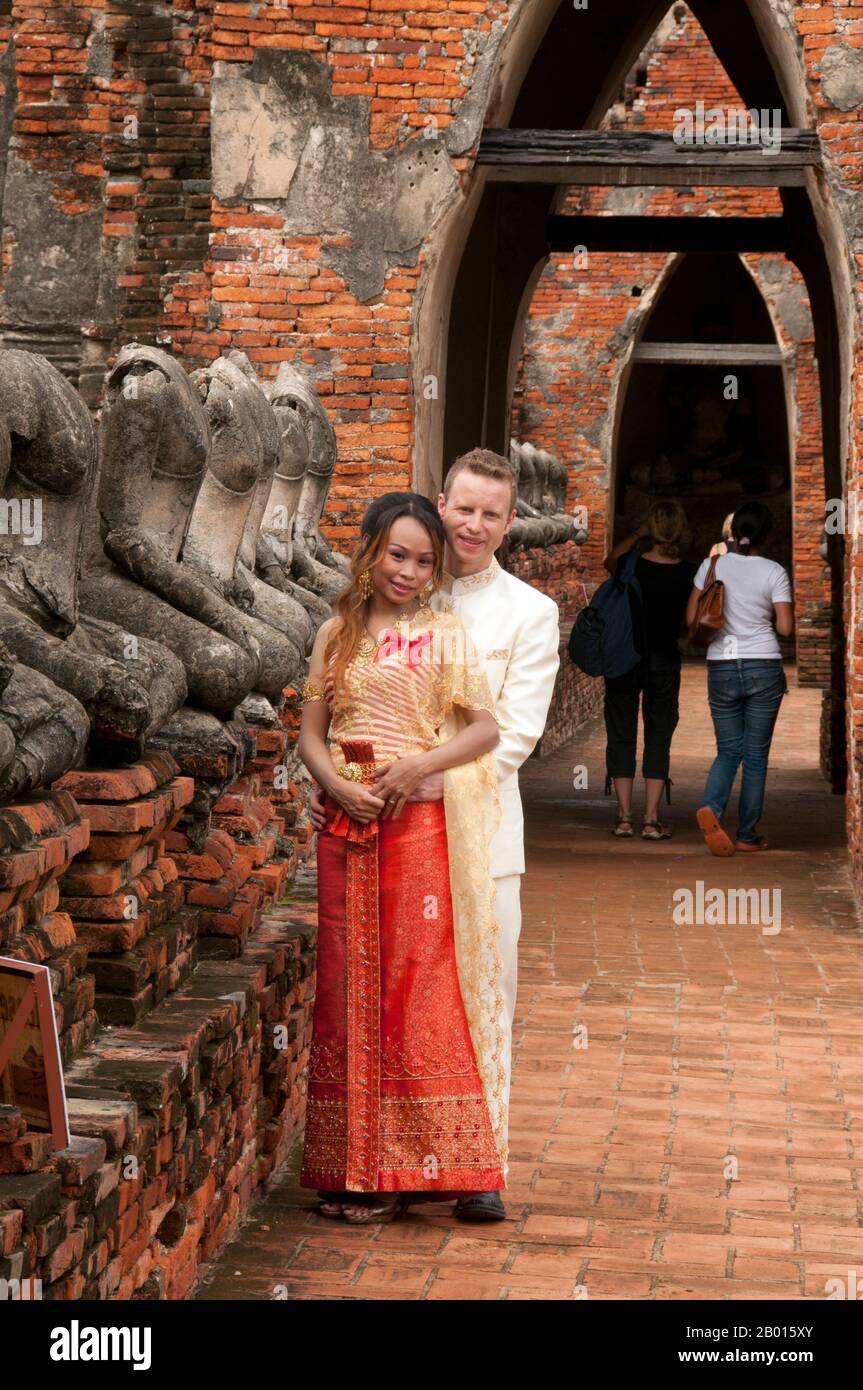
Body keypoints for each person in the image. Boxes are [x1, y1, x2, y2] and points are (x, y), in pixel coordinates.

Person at [308, 448, 560, 1223]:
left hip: (472, 831)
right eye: (462, 508)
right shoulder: (398, 588)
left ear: (510, 522)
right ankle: (388, 1162)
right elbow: (330, 719)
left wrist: (414, 782)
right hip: (375, 827)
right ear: (438, 505)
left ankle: (480, 1164)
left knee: (480, 995)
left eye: (491, 513)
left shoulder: (527, 613)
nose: (472, 525)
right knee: (379, 992)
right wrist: (337, 789)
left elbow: (510, 737)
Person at [687, 501, 794, 856]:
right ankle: (748, 834)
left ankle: (712, 808)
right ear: (767, 535)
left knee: (728, 749)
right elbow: (785, 627)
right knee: (756, 755)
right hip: (763, 665)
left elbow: (691, 616)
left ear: (734, 533)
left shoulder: (711, 565)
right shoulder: (774, 572)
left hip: (721, 664)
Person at [602, 500, 696, 840]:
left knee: (621, 733)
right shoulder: (690, 572)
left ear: (651, 529)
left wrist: (637, 535)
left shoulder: (630, 564)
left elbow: (607, 559)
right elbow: (691, 621)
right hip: (664, 659)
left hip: (624, 658)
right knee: (659, 734)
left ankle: (624, 816)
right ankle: (652, 818)